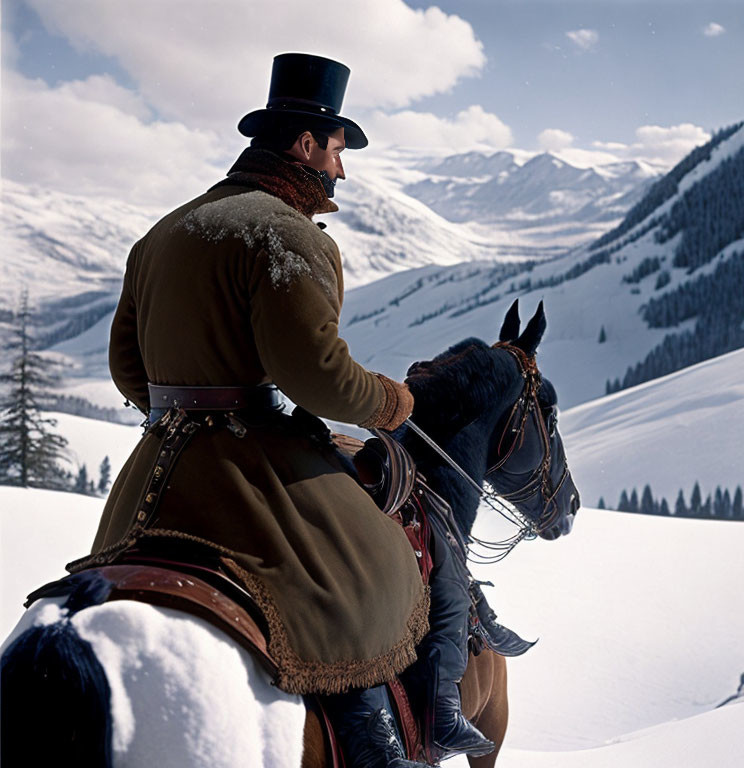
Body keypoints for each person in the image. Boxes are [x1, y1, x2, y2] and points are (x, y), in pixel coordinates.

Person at [70, 52, 496, 766]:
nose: (341, 171)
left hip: (154, 471)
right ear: (304, 145)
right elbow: (317, 377)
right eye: (336, 150)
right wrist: (393, 402)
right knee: (377, 569)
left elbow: (126, 365)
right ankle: (372, 737)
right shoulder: (285, 235)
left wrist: (185, 410)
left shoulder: (164, 232)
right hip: (251, 465)